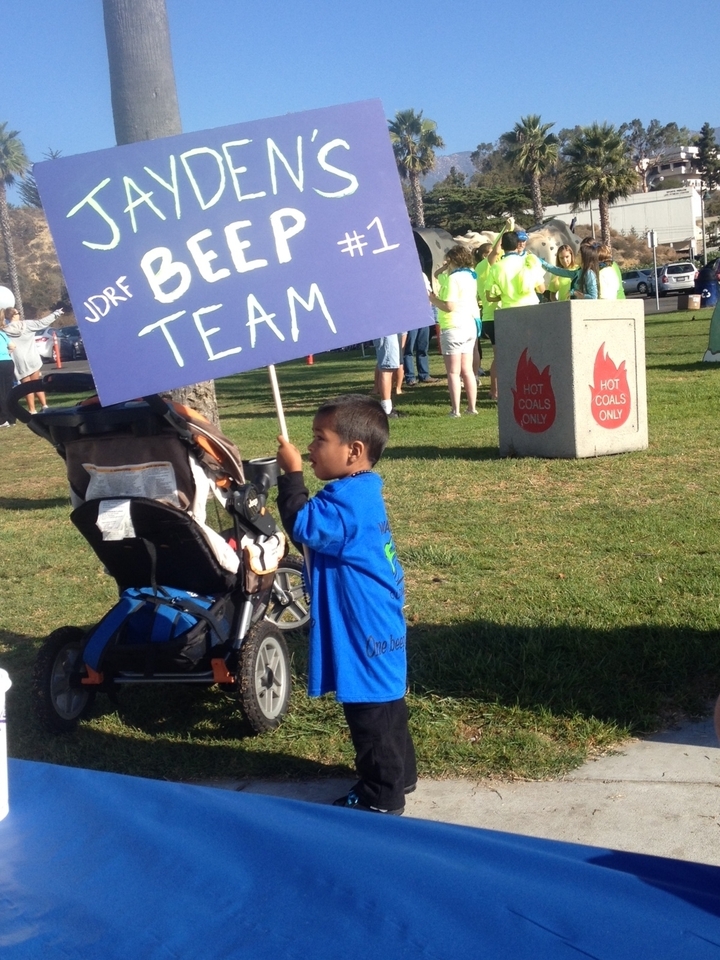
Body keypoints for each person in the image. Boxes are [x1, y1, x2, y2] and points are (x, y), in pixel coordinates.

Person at [276, 394, 416, 815]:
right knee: (387, 699)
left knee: (368, 710)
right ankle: (401, 773)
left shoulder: (344, 505)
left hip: (363, 625)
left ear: (353, 452)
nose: (310, 447)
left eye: (320, 439)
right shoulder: (363, 490)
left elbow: (302, 523)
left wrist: (292, 475)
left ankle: (381, 794)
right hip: (380, 617)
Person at [428, 245, 479, 417]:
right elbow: (437, 276)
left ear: (452, 260)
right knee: (468, 371)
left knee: (453, 372)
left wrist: (433, 300)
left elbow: (449, 306)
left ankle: (455, 409)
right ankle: (472, 407)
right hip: (469, 325)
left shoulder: (452, 279)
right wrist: (445, 266)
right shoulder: (471, 276)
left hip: (453, 326)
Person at [3, 307, 62, 414]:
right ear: (14, 315)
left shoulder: (5, 330)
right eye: (18, 313)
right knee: (37, 383)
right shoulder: (27, 325)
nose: (19, 314)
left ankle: (32, 409)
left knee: (26, 387)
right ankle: (44, 405)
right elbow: (42, 323)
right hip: (33, 357)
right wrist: (56, 314)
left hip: (19, 360)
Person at [372, 333, 404, 418]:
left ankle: (388, 407)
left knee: (389, 367)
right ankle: (386, 409)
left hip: (389, 332)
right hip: (386, 333)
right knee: (386, 368)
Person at [0, 315, 16, 427]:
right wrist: (6, 353)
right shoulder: (2, 333)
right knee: (9, 390)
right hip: (8, 362)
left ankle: (3, 419)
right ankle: (12, 418)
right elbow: (12, 346)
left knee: (1, 392)